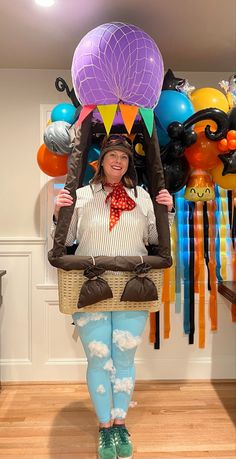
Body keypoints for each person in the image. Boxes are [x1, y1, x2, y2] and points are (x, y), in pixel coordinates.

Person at [52, 134, 173, 459]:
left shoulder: (143, 197)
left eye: (123, 156)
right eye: (111, 155)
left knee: (123, 359)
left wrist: (167, 212)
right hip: (91, 287)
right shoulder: (80, 196)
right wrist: (58, 215)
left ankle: (120, 422)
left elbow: (153, 239)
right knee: (98, 358)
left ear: (128, 162)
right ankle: (104, 426)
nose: (117, 161)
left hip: (134, 286)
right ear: (101, 160)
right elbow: (69, 239)